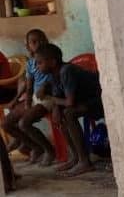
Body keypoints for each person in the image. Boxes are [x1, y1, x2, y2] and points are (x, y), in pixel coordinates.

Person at [35, 43, 103, 177]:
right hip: (84, 102)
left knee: (69, 113)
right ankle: (76, 157)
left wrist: (50, 99)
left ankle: (84, 161)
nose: (37, 66)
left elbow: (69, 102)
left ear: (53, 62)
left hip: (100, 99)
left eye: (40, 63)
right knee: (61, 113)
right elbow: (59, 97)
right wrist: (56, 108)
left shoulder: (66, 71)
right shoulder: (53, 75)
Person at [2, 29, 55, 166]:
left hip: (49, 98)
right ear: (28, 46)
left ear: (45, 41)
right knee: (6, 124)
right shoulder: (31, 63)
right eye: (33, 42)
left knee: (23, 123)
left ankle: (49, 150)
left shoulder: (51, 56)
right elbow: (29, 84)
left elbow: (57, 77)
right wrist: (22, 101)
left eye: (39, 40)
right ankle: (35, 147)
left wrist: (45, 86)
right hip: (34, 97)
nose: (37, 44)